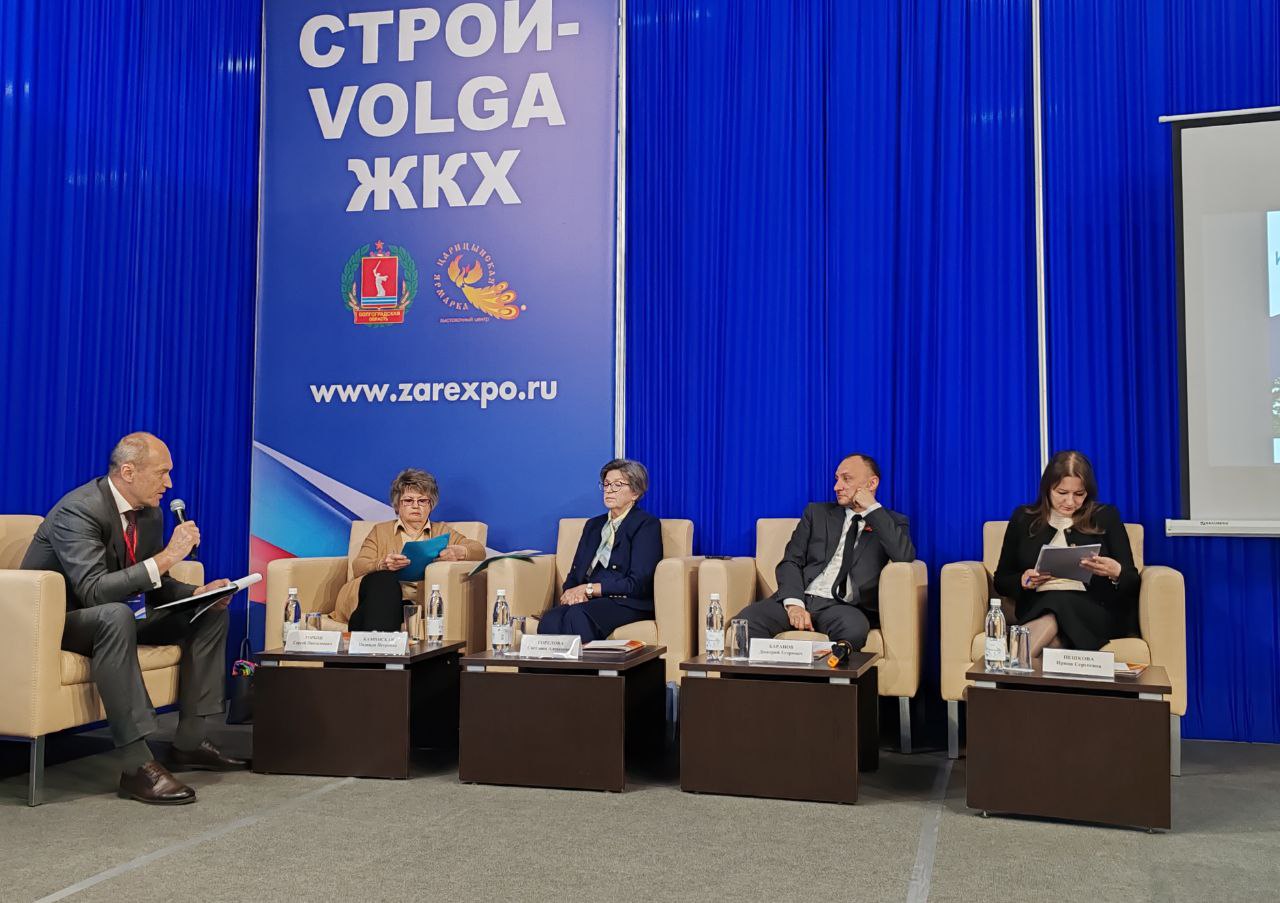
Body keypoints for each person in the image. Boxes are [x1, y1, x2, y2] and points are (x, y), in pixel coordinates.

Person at [20, 432, 245, 805]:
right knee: (114, 615)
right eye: (161, 473)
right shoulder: (79, 511)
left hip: (120, 615)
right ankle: (137, 765)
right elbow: (93, 591)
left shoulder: (149, 513)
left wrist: (198, 594)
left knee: (208, 613)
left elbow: (155, 583)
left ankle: (190, 742)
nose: (169, 483)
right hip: (59, 621)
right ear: (128, 472)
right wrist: (168, 556)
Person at [738, 453, 915, 649]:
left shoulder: (891, 522)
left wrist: (872, 509)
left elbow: (903, 555)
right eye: (837, 479)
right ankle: (767, 670)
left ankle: (832, 668)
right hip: (802, 597)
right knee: (747, 622)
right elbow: (791, 561)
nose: (837, 487)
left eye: (846, 479)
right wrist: (795, 605)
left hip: (843, 607)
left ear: (871, 483)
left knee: (854, 628)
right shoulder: (817, 514)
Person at [994, 449, 1139, 657]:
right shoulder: (1023, 518)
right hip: (1039, 606)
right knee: (1054, 633)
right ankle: (1018, 667)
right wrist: (1023, 580)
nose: (1070, 502)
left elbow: (1133, 581)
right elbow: (1001, 581)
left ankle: (1009, 668)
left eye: (1079, 494)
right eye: (1062, 493)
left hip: (1093, 611)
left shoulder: (1106, 516)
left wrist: (1116, 572)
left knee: (1057, 606)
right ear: (1047, 489)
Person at [332, 468, 485, 631]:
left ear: (431, 505)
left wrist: (460, 551)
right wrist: (382, 564)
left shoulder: (442, 532)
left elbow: (479, 550)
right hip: (377, 594)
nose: (415, 506)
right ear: (398, 505)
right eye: (408, 500)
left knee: (392, 609)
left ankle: (367, 635)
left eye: (422, 501)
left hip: (412, 602)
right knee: (384, 579)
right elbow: (359, 566)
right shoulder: (380, 531)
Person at [537, 459, 663, 642]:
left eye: (617, 484)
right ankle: (550, 663)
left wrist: (589, 589)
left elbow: (638, 583)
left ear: (635, 492)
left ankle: (588, 662)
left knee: (577, 615)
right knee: (551, 618)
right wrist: (571, 593)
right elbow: (576, 572)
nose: (609, 490)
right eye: (606, 484)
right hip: (591, 601)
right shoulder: (593, 525)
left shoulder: (645, 525)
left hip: (627, 602)